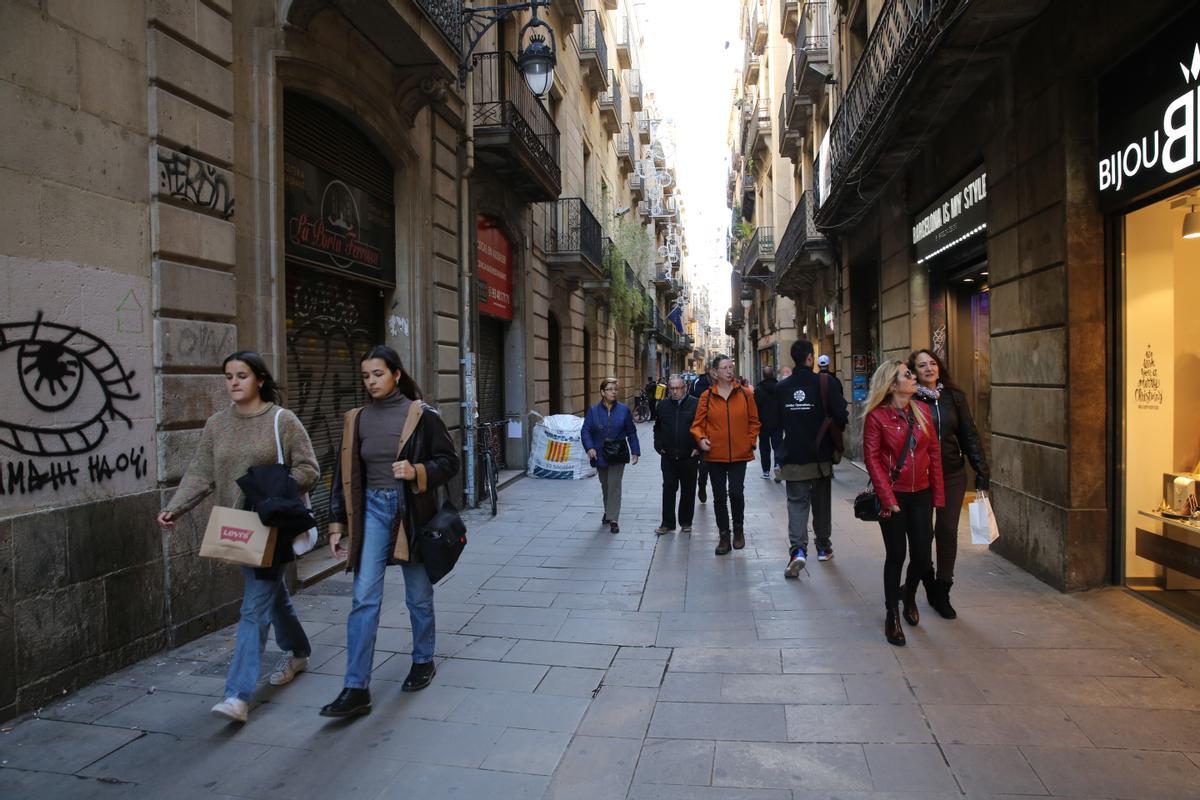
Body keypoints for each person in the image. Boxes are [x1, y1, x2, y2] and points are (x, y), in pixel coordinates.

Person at [157, 352, 319, 724]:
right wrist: (175, 508)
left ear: (259, 380)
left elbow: (309, 468)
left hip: (272, 526)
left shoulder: (282, 420)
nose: (233, 382)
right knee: (272, 597)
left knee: (253, 608)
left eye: (241, 375)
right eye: (228, 376)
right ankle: (297, 651)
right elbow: (200, 473)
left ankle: (237, 695)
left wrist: (275, 488)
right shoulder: (217, 424)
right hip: (238, 527)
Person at [320, 345, 460, 718]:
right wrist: (337, 524)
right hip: (371, 513)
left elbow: (450, 461)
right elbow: (343, 475)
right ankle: (355, 687)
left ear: (396, 374)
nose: (371, 382)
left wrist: (417, 472)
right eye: (366, 376)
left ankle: (423, 659)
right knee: (364, 598)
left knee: (417, 594)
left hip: (410, 513)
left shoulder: (421, 415)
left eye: (378, 374)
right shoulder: (357, 418)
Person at [862, 360, 944, 647]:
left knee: (922, 556)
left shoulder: (922, 411)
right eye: (908, 375)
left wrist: (938, 495)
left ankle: (908, 593)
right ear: (893, 384)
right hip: (893, 496)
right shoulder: (877, 417)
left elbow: (934, 454)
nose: (914, 377)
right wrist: (887, 497)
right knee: (896, 555)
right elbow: (872, 460)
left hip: (921, 494)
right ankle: (892, 614)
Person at [908, 348, 990, 619]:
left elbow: (969, 433)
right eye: (922, 366)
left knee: (946, 530)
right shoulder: (908, 398)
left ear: (939, 366)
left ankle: (943, 589)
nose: (929, 368)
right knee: (922, 534)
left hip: (952, 474)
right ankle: (928, 580)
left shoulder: (954, 397)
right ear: (914, 371)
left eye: (932, 363)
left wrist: (980, 468)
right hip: (920, 476)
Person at [777, 340, 848, 577]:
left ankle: (797, 550)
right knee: (821, 502)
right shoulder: (826, 382)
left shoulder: (782, 387)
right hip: (820, 456)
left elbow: (775, 424)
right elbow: (840, 415)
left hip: (794, 456)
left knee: (797, 504)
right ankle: (823, 547)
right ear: (810, 357)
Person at [691, 355, 760, 555]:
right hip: (715, 454)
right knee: (720, 496)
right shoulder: (707, 396)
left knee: (736, 493)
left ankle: (738, 529)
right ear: (715, 372)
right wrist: (701, 439)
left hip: (740, 453)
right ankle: (723, 535)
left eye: (731, 367)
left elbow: (754, 421)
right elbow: (698, 424)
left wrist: (751, 441)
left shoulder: (745, 394)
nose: (729, 371)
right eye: (724, 368)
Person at [581, 377, 641, 533]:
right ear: (602, 392)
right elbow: (585, 431)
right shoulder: (593, 411)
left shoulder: (623, 410)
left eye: (615, 389)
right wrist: (590, 448)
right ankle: (608, 511)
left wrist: (635, 450)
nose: (614, 392)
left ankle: (613, 519)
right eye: (610, 389)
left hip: (618, 452)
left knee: (614, 485)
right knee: (605, 485)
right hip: (600, 453)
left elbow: (631, 431)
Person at [653, 374, 699, 535]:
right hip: (669, 456)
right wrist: (659, 446)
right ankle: (667, 523)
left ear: (685, 388)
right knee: (668, 489)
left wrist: (697, 447)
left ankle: (686, 522)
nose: (675, 392)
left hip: (689, 456)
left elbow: (703, 427)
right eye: (672, 388)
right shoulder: (663, 406)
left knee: (688, 490)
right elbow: (657, 427)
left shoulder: (695, 404)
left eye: (678, 388)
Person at [689, 360, 717, 503]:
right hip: (704, 429)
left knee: (708, 465)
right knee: (704, 463)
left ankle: (705, 486)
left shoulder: (722, 383)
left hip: (711, 431)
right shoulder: (701, 382)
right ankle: (702, 485)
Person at [754, 365, 783, 480]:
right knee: (778, 446)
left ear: (763, 376)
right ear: (773, 374)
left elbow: (755, 408)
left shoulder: (759, 390)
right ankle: (778, 465)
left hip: (763, 424)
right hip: (778, 423)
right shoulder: (780, 388)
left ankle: (766, 471)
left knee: (764, 448)